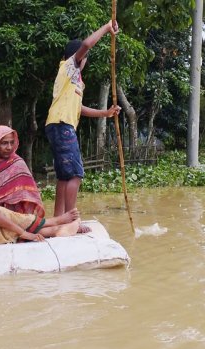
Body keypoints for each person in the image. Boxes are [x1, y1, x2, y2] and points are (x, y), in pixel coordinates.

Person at [45, 20, 121, 227]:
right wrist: (106, 28)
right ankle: (72, 222)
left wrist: (105, 113)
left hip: (58, 125)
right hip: (62, 125)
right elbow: (86, 45)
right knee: (76, 174)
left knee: (64, 176)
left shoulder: (76, 81)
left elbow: (79, 108)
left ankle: (59, 218)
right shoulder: (69, 67)